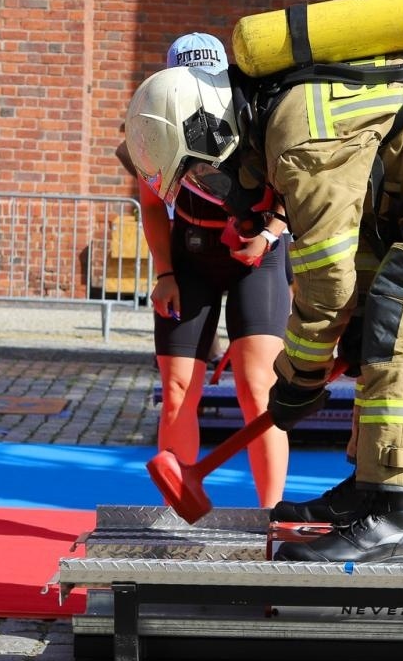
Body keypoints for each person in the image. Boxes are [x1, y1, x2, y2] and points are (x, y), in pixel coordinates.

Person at [125, 22, 403, 564]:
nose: (214, 191)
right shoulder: (271, 116)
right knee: (368, 324)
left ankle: (396, 518)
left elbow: (326, 278)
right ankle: (369, 491)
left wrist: (298, 376)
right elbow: (343, 276)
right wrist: (338, 340)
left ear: (214, 131)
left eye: (206, 177)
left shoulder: (297, 136)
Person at [122, 33, 291, 507]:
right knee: (177, 387)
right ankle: (177, 511)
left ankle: (271, 515)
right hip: (190, 256)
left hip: (257, 253)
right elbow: (153, 207)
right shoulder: (152, 126)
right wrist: (164, 274)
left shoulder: (253, 112)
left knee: (258, 387)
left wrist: (269, 234)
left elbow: (291, 184)